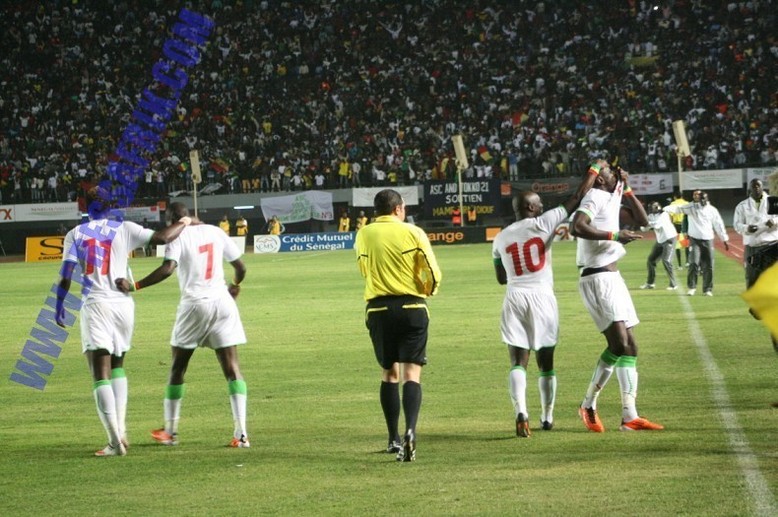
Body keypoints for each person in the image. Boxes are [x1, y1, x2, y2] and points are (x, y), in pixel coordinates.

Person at [54, 187, 191, 456]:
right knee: (117, 365)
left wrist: (59, 305)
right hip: (123, 304)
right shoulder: (124, 228)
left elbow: (66, 275)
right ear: (110, 206)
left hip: (96, 304)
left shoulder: (75, 234)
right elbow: (162, 237)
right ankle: (122, 431)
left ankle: (114, 441)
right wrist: (184, 220)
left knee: (100, 373)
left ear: (84, 205)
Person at [115, 202, 250, 448]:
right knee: (232, 368)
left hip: (194, 305)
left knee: (178, 368)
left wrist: (135, 286)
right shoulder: (215, 231)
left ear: (171, 220)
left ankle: (171, 432)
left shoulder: (177, 237)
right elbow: (241, 267)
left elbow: (168, 269)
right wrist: (235, 285)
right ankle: (241, 434)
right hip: (223, 304)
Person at [492, 169, 596, 437]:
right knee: (546, 362)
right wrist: (593, 171)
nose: (542, 207)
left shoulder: (500, 237)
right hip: (542, 297)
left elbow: (501, 278)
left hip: (515, 297)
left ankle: (521, 412)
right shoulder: (545, 222)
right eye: (539, 203)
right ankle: (547, 417)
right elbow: (577, 196)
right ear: (530, 207)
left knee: (518, 361)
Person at [571, 159, 664, 433]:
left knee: (629, 346)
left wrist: (628, 188)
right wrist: (614, 235)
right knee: (620, 343)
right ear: (600, 178)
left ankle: (629, 416)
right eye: (610, 170)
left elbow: (644, 222)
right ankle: (588, 405)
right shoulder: (595, 196)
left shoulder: (612, 196)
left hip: (613, 277)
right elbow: (578, 226)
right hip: (597, 277)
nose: (616, 171)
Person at [355, 189, 442, 462]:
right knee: (411, 374)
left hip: (378, 309)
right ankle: (410, 431)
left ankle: (393, 438)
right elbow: (431, 272)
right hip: (412, 307)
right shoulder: (413, 232)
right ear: (397, 209)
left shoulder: (364, 234)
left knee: (389, 373)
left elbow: (363, 269)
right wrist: (428, 290)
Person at [733, 178, 778, 351]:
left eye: (759, 185)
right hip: (753, 248)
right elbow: (737, 225)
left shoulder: (773, 201)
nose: (757, 188)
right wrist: (746, 228)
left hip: (773, 246)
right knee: (752, 282)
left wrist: (774, 222)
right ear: (749, 189)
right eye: (754, 186)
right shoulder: (742, 206)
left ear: (762, 187)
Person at [665, 190, 729, 296]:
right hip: (694, 240)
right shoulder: (691, 207)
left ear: (706, 198)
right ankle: (692, 287)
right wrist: (664, 209)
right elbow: (678, 208)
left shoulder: (712, 210)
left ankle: (707, 289)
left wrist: (724, 239)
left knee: (709, 265)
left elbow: (718, 224)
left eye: (702, 198)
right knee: (693, 263)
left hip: (708, 239)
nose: (701, 199)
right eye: (698, 197)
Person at [640, 201, 679, 290]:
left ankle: (673, 284)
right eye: (653, 206)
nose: (655, 207)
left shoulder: (664, 214)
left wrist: (647, 224)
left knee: (666, 261)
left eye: (656, 206)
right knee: (651, 260)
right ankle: (650, 283)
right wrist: (644, 225)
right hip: (660, 240)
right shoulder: (650, 216)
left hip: (669, 239)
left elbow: (657, 225)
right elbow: (644, 229)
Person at [668, 190, 689, 269]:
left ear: (675, 197)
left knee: (677, 245)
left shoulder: (672, 204)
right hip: (686, 225)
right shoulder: (687, 203)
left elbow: (670, 216)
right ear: (682, 196)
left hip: (676, 225)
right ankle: (687, 262)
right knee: (687, 243)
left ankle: (680, 265)